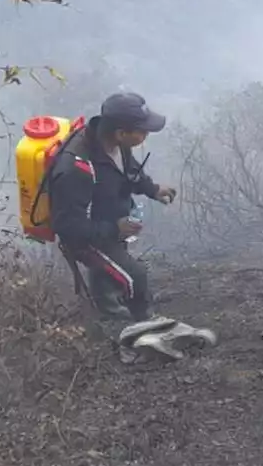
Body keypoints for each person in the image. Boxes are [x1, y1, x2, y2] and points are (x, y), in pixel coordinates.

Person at [49, 92, 177, 321]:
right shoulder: (76, 169)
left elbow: (128, 171)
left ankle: (115, 321)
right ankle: (136, 329)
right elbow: (67, 225)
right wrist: (115, 229)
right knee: (134, 277)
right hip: (86, 239)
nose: (146, 135)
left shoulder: (115, 144)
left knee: (108, 281)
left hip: (109, 226)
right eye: (143, 131)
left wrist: (153, 189)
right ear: (121, 133)